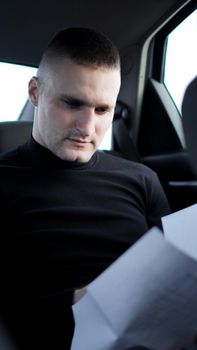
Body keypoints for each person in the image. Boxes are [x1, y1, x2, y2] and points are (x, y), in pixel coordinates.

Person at [0, 27, 170, 349]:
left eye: (102, 110)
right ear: (35, 92)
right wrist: (80, 301)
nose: (87, 128)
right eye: (72, 103)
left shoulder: (143, 179)